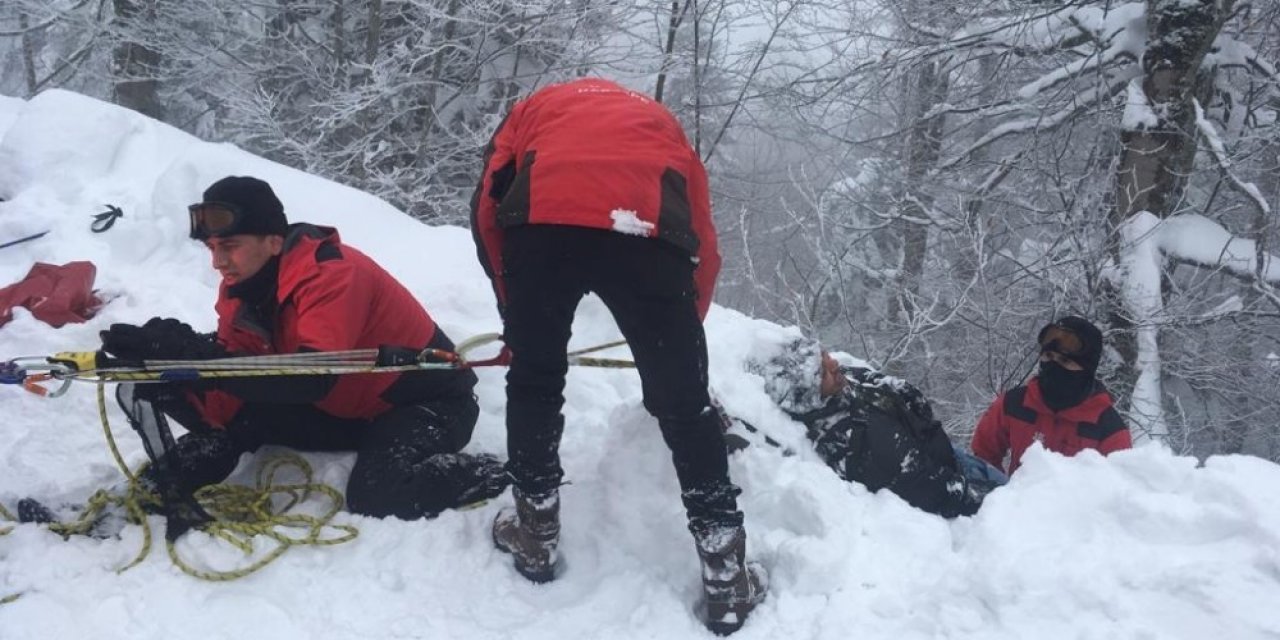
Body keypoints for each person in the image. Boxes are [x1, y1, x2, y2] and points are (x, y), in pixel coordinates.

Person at [26, 176, 507, 537]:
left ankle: (499, 473)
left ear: (274, 241)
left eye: (229, 245)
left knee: (378, 495)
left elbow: (309, 377)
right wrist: (169, 369)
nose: (218, 261)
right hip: (343, 407)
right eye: (213, 248)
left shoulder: (332, 275)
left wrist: (201, 362)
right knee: (236, 422)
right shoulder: (241, 289)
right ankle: (146, 497)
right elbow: (241, 376)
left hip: (425, 404)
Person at [470, 78, 765, 634]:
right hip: (646, 232)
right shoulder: (659, 122)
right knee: (686, 407)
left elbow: (486, 203)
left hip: (541, 226)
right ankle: (725, 576)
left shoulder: (530, 112)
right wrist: (678, 347)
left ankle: (534, 537)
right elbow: (700, 230)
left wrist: (516, 314)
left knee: (535, 382)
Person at [746, 340, 1005, 518]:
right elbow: (931, 489)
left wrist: (904, 394)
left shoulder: (836, 390)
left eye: (823, 354)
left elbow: (871, 381)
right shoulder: (858, 443)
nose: (833, 363)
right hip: (955, 478)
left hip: (943, 451)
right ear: (808, 393)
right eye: (822, 370)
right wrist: (996, 498)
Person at [971, 315, 1132, 474]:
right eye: (1048, 356)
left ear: (1086, 370)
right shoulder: (1013, 404)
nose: (1054, 366)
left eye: (1065, 361)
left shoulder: (1108, 429)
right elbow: (983, 457)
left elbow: (1119, 490)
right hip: (1017, 498)